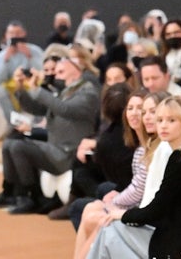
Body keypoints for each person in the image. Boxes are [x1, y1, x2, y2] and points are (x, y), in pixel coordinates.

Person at [0, 49, 99, 214]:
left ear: (76, 70)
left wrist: (36, 90)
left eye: (59, 71)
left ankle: (32, 196)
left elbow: (64, 109)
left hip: (68, 153)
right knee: (9, 143)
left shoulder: (88, 93)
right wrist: (22, 88)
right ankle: (14, 193)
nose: (55, 75)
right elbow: (36, 108)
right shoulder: (66, 91)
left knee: (18, 147)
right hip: (55, 148)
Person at [88, 95, 181, 258]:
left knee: (110, 230)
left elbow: (157, 209)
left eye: (171, 120)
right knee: (110, 231)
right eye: (160, 120)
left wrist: (122, 214)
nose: (163, 126)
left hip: (179, 245)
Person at [72, 90, 166, 259]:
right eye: (131, 108)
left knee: (98, 218)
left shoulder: (161, 149)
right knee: (90, 208)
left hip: (148, 216)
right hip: (141, 208)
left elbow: (140, 191)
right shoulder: (141, 148)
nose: (140, 115)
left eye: (146, 111)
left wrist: (115, 205)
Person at [49, 83, 135, 221]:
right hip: (122, 182)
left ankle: (83, 200)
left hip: (129, 191)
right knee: (80, 166)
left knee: (80, 205)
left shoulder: (119, 136)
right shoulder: (109, 135)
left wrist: (97, 145)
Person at [0, 20, 45, 129]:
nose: (15, 36)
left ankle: (38, 125)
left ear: (24, 34)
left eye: (18, 33)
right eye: (11, 33)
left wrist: (30, 56)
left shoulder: (35, 51)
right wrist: (6, 60)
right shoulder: (1, 56)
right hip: (13, 85)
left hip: (32, 83)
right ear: (6, 36)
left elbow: (42, 72)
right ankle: (14, 126)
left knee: (40, 89)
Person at [139, 55, 181, 120]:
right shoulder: (142, 97)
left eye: (155, 78)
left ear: (167, 76)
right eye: (146, 79)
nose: (150, 84)